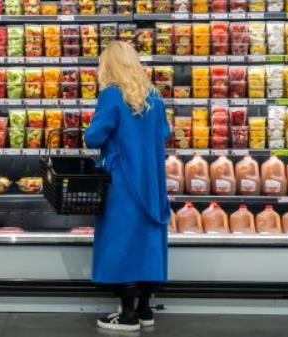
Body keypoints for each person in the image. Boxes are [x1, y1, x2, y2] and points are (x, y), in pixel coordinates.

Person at [84, 41, 171, 332]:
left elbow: (94, 138)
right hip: (152, 182)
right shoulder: (154, 96)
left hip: (123, 181)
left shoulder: (111, 95)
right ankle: (145, 310)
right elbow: (165, 133)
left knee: (122, 241)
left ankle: (127, 315)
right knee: (147, 241)